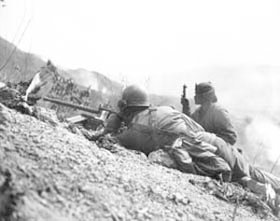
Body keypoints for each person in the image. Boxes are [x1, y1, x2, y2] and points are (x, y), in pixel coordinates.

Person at [98, 85, 233, 179]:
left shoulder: (137, 127)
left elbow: (110, 139)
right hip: (214, 143)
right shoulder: (164, 110)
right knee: (250, 173)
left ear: (125, 108)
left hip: (211, 154)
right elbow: (197, 128)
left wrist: (114, 121)